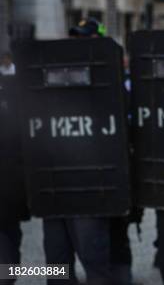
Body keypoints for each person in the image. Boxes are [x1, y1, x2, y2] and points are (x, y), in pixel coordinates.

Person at [42, 18, 132, 285]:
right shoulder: (54, 77)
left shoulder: (112, 81)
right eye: (75, 39)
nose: (77, 45)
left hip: (94, 190)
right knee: (55, 269)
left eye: (85, 39)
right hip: (56, 189)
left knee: (97, 266)